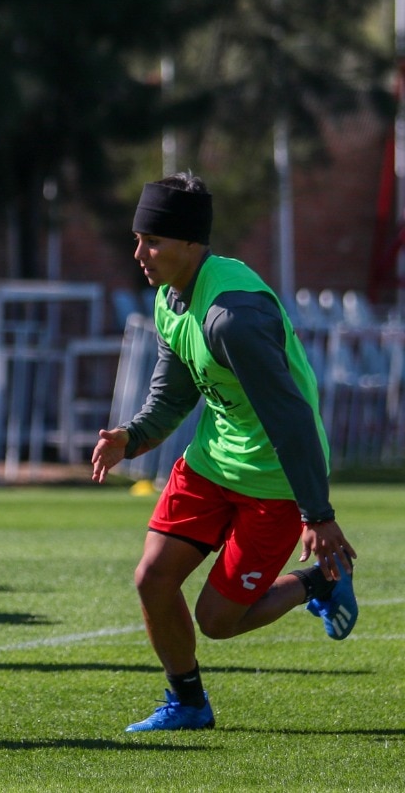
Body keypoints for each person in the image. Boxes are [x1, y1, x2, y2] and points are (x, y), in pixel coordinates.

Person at [91, 172, 359, 732]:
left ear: (193, 243)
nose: (139, 254)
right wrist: (131, 437)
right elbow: (173, 395)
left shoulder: (233, 318)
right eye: (138, 239)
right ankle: (188, 704)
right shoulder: (170, 298)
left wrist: (317, 514)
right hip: (210, 464)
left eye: (153, 241)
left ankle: (319, 581)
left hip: (273, 483)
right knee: (151, 579)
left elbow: (291, 419)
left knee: (217, 621)